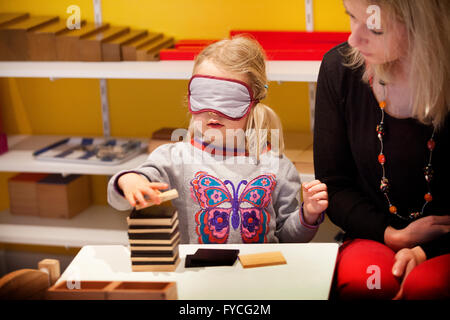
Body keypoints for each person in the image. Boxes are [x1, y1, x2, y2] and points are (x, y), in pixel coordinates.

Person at [108, 36, 328, 244]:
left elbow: (287, 239)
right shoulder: (172, 159)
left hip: (256, 275)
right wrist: (129, 181)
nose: (213, 112)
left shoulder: (278, 167)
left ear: (253, 102)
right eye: (204, 97)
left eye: (228, 100)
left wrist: (307, 215)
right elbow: (119, 198)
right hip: (196, 276)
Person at [314, 0, 449, 299]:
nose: (354, 39)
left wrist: (426, 251)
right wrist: (394, 236)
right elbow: (334, 186)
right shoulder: (340, 69)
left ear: (423, 25)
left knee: (428, 288)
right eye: (352, 17)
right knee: (369, 286)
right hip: (372, 232)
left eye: (375, 26)